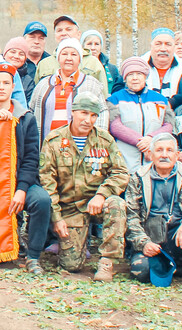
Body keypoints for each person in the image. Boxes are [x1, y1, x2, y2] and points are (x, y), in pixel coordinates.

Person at [0, 64, 51, 275]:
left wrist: (22, 189)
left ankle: (33, 256)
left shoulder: (26, 117)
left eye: (6, 83)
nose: (1, 87)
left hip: (18, 180)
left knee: (41, 201)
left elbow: (31, 158)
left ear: (13, 87)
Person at [37, 92, 128, 281]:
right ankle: (77, 242)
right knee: (71, 265)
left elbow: (120, 172)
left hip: (97, 204)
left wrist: (102, 195)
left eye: (93, 115)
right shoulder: (54, 141)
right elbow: (47, 183)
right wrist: (57, 218)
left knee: (116, 204)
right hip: (70, 208)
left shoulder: (105, 140)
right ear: (73, 112)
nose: (88, 120)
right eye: (84, 113)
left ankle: (107, 262)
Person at [125, 133, 182, 291]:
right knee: (141, 270)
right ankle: (177, 268)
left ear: (177, 154)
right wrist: (144, 243)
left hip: (180, 236)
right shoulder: (138, 178)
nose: (164, 155)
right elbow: (131, 216)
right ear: (150, 154)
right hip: (152, 240)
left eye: (169, 150)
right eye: (159, 150)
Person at [29, 38, 108, 138]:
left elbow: (102, 112)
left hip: (81, 144)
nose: (69, 58)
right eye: (64, 54)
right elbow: (31, 111)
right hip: (47, 144)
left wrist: (98, 140)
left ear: (80, 59)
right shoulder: (43, 84)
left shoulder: (91, 84)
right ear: (58, 58)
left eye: (74, 54)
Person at [106, 56, 174, 171]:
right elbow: (115, 126)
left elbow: (169, 125)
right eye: (130, 74)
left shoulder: (160, 99)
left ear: (145, 76)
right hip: (125, 162)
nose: (135, 78)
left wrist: (151, 139)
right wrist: (141, 142)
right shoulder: (114, 99)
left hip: (153, 162)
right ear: (125, 78)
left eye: (139, 74)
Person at [37, 14, 107, 86]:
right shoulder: (44, 64)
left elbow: (102, 91)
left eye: (69, 29)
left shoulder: (93, 63)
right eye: (59, 30)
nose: (63, 33)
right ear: (55, 35)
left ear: (79, 34)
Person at [145, 28, 182, 97]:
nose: (163, 49)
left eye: (168, 44)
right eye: (158, 44)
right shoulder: (137, 69)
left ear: (174, 47)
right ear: (151, 46)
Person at [22, 20, 49, 95]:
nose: (36, 42)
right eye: (32, 37)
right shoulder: (16, 61)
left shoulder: (51, 62)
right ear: (24, 39)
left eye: (41, 38)